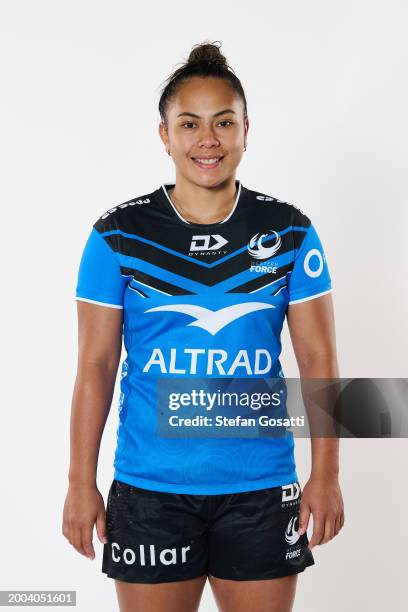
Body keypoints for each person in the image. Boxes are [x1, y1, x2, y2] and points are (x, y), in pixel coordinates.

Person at [62, 40, 345, 612]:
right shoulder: (118, 235)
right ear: (164, 134)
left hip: (261, 489)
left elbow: (319, 363)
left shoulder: (288, 230)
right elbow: (95, 365)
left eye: (224, 122)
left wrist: (326, 476)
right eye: (189, 123)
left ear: (246, 130)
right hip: (150, 490)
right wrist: (78, 481)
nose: (207, 139)